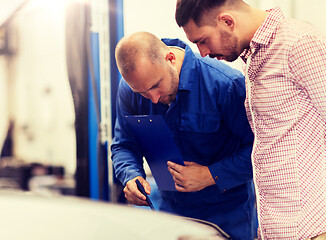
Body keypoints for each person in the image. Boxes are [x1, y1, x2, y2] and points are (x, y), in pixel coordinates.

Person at [175, 1, 326, 239]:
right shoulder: (255, 58)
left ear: (227, 21)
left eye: (202, 40)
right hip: (274, 227)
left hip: (311, 229)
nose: (202, 53)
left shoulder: (300, 44)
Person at [111, 31, 257, 240]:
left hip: (228, 217)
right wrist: (131, 175)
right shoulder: (131, 90)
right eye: (143, 93)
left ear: (170, 59)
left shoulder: (226, 85)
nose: (152, 99)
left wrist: (210, 175)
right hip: (172, 213)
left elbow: (261, 152)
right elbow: (124, 144)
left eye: (155, 86)